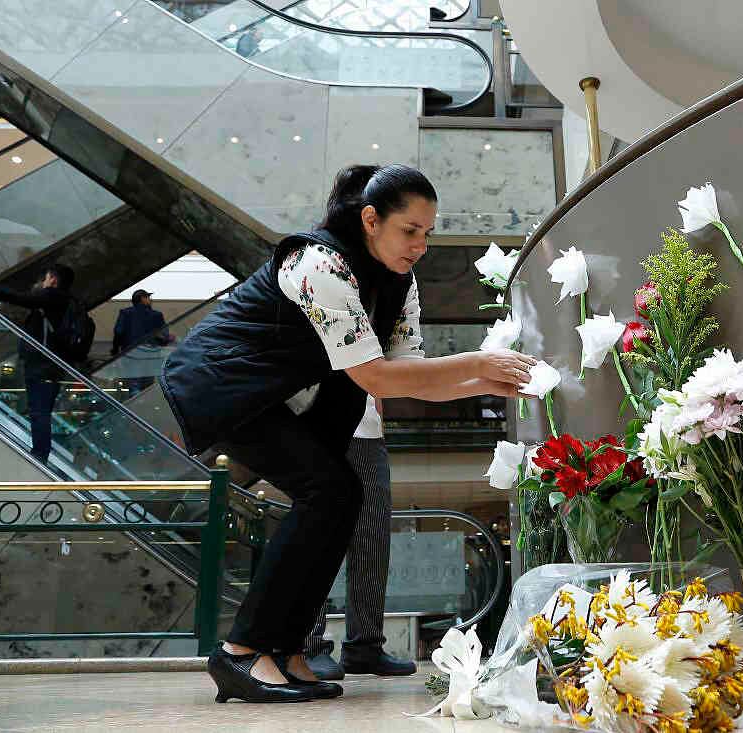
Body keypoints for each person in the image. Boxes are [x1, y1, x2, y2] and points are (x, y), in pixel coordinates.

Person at [159, 164, 535, 704]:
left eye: (428, 233)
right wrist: (479, 363)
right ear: (369, 219)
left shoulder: (400, 284)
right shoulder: (319, 261)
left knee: (340, 494)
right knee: (327, 489)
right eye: (410, 230)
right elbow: (375, 375)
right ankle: (241, 653)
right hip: (223, 382)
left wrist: (491, 381)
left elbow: (412, 380)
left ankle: (284, 651)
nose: (420, 245)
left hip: (275, 394)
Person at [302, 395, 415, 680]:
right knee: (317, 540)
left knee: (374, 540)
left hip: (369, 432)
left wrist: (378, 415)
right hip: (318, 425)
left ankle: (365, 647)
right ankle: (309, 647)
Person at [0, 265, 75, 461]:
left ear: (52, 280)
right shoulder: (67, 301)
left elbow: (24, 299)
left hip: (42, 363)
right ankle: (41, 452)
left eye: (46, 277)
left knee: (39, 411)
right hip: (54, 364)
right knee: (42, 410)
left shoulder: (52, 297)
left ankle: (40, 455)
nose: (44, 281)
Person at [112, 289, 170, 356]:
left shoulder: (125, 313)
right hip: (151, 354)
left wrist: (115, 350)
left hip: (129, 354)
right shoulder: (156, 315)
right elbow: (164, 336)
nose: (150, 300)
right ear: (142, 299)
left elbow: (118, 332)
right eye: (148, 297)